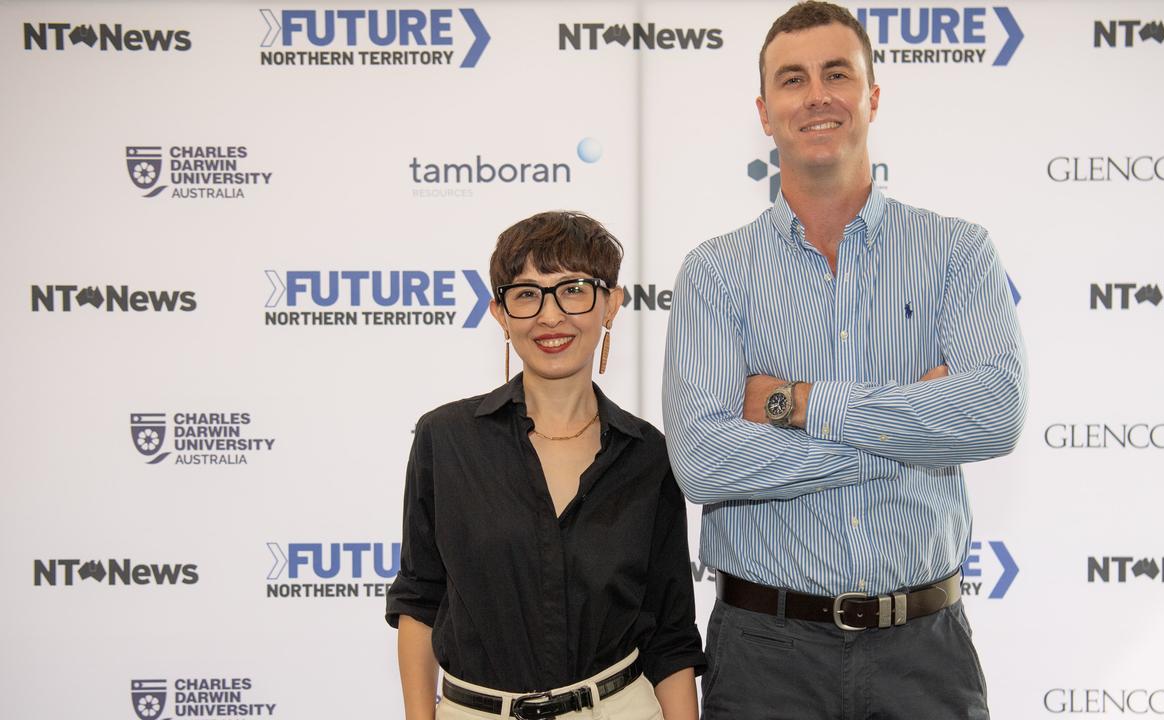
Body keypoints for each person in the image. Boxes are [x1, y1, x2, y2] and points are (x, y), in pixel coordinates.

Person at [662, 2, 1027, 718]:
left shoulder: (957, 252)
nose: (817, 95)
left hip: (925, 650)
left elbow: (994, 414)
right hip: (766, 653)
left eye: (838, 73)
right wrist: (911, 434)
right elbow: (704, 461)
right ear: (765, 113)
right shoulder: (715, 272)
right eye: (793, 80)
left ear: (873, 96)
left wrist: (798, 406)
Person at [388, 211, 704, 720]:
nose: (550, 316)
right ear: (500, 312)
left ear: (612, 304)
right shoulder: (444, 439)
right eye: (527, 293)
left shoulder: (649, 455)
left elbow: (671, 636)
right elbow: (419, 604)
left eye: (574, 289)